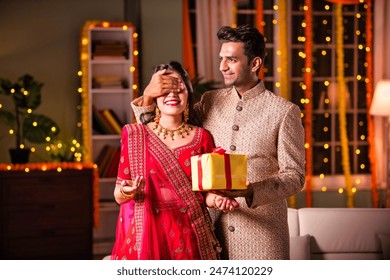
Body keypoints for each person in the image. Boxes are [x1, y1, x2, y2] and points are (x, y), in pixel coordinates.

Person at [131, 25, 306, 260]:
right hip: (210, 230)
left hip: (262, 237)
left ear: (255, 64)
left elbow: (295, 177)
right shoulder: (209, 101)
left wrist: (250, 190)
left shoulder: (283, 112)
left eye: (231, 59)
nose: (222, 66)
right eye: (221, 58)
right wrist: (149, 94)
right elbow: (161, 134)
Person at [110, 61, 238, 260]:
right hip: (148, 234)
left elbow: (206, 193)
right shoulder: (135, 135)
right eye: (164, 88)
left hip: (191, 234)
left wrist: (218, 199)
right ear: (153, 93)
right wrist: (127, 191)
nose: (172, 94)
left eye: (178, 88)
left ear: (188, 92)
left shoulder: (201, 137)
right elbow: (119, 194)